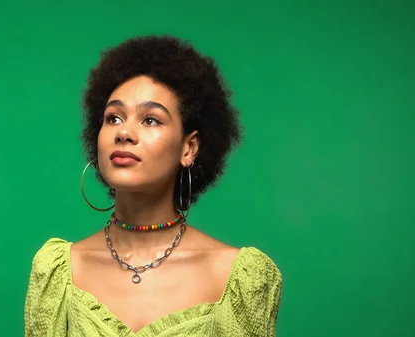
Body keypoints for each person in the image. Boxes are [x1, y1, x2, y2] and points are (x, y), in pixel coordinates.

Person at [24, 35, 282, 336]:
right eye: (113, 118)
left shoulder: (236, 278)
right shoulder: (58, 274)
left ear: (190, 148)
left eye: (150, 120)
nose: (124, 133)